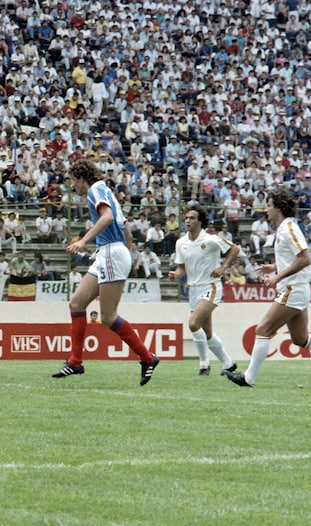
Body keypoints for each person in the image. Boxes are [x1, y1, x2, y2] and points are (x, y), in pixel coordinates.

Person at [52, 159, 159, 386]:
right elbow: (123, 224)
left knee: (108, 317)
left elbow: (108, 217)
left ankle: (147, 357)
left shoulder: (95, 189)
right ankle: (75, 362)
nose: (75, 188)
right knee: (76, 304)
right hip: (108, 252)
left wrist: (83, 241)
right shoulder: (105, 190)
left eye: (74, 182)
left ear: (82, 178)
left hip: (111, 253)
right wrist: (126, 246)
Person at [225, 188, 311, 388]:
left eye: (269, 206)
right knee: (300, 338)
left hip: (293, 289)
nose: (266, 210)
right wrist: (274, 266)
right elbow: (293, 259)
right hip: (296, 289)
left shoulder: (289, 229)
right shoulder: (283, 229)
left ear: (279, 208)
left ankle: (248, 378)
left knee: (263, 329)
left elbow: (305, 258)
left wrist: (277, 276)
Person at [168, 204, 239, 376]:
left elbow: (235, 249)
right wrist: (176, 274)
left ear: (200, 222)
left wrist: (223, 268)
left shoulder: (210, 239)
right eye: (186, 218)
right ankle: (228, 363)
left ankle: (203, 364)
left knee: (193, 323)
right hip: (194, 290)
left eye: (192, 218)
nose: (188, 221)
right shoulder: (181, 243)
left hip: (211, 286)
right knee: (207, 333)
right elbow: (182, 269)